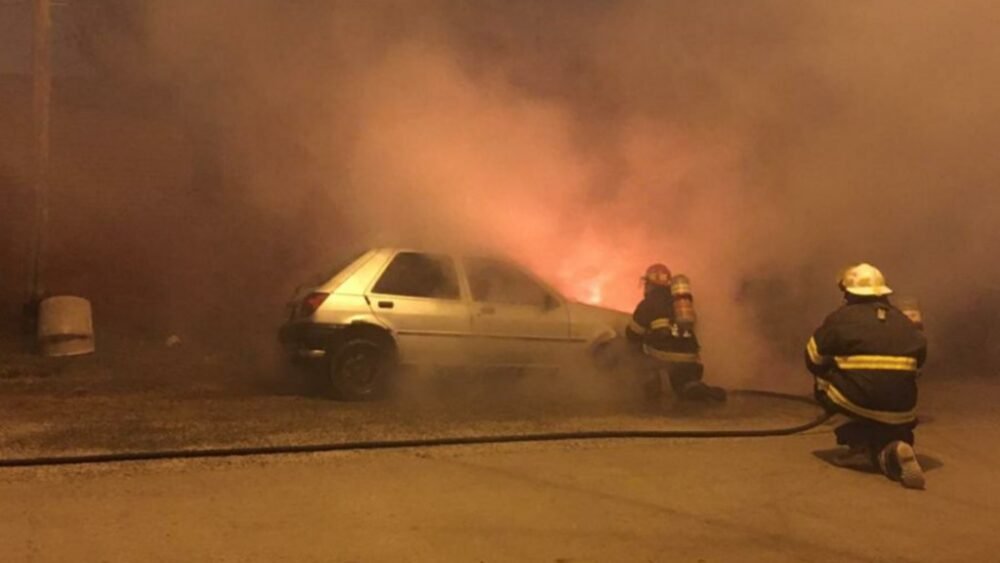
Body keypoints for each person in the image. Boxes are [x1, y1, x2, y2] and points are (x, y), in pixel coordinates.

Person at [806, 263, 928, 489]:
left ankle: (859, 445)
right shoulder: (904, 320)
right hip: (903, 408)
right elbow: (919, 363)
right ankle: (893, 447)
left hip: (860, 402)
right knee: (889, 392)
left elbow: (813, 358)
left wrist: (839, 365)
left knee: (822, 382)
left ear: (849, 293)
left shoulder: (841, 318)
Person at [625, 263, 726, 402]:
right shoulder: (680, 302)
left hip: (663, 357)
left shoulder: (648, 303)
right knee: (685, 386)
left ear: (648, 284)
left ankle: (652, 389)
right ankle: (696, 388)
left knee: (634, 350)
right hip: (690, 356)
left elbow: (633, 334)